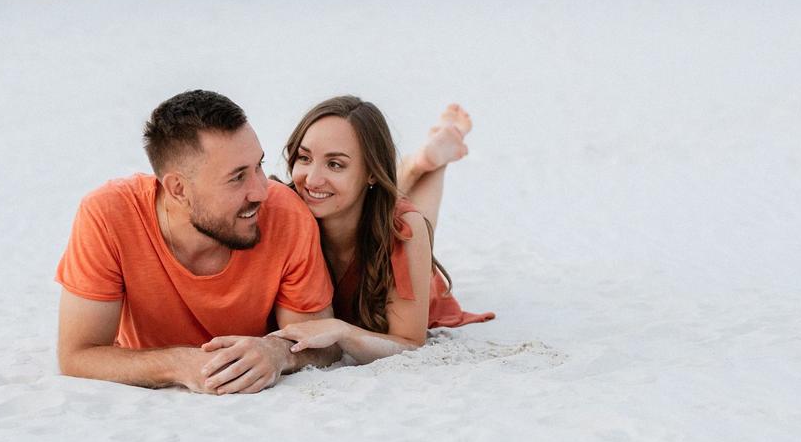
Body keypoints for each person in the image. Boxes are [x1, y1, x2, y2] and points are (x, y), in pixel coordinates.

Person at [56, 89, 338, 394]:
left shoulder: (286, 215)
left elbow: (322, 342)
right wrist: (180, 364)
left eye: (258, 165)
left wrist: (276, 351)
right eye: (237, 177)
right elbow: (77, 355)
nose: (261, 191)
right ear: (178, 189)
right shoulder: (109, 215)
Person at [269, 96, 494, 363]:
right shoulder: (285, 209)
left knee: (413, 221)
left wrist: (341, 331)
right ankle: (419, 163)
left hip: (398, 241)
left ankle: (433, 161)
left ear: (371, 171)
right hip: (369, 205)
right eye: (304, 158)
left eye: (335, 164)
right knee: (386, 207)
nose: (311, 179)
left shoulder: (402, 230)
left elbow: (410, 343)